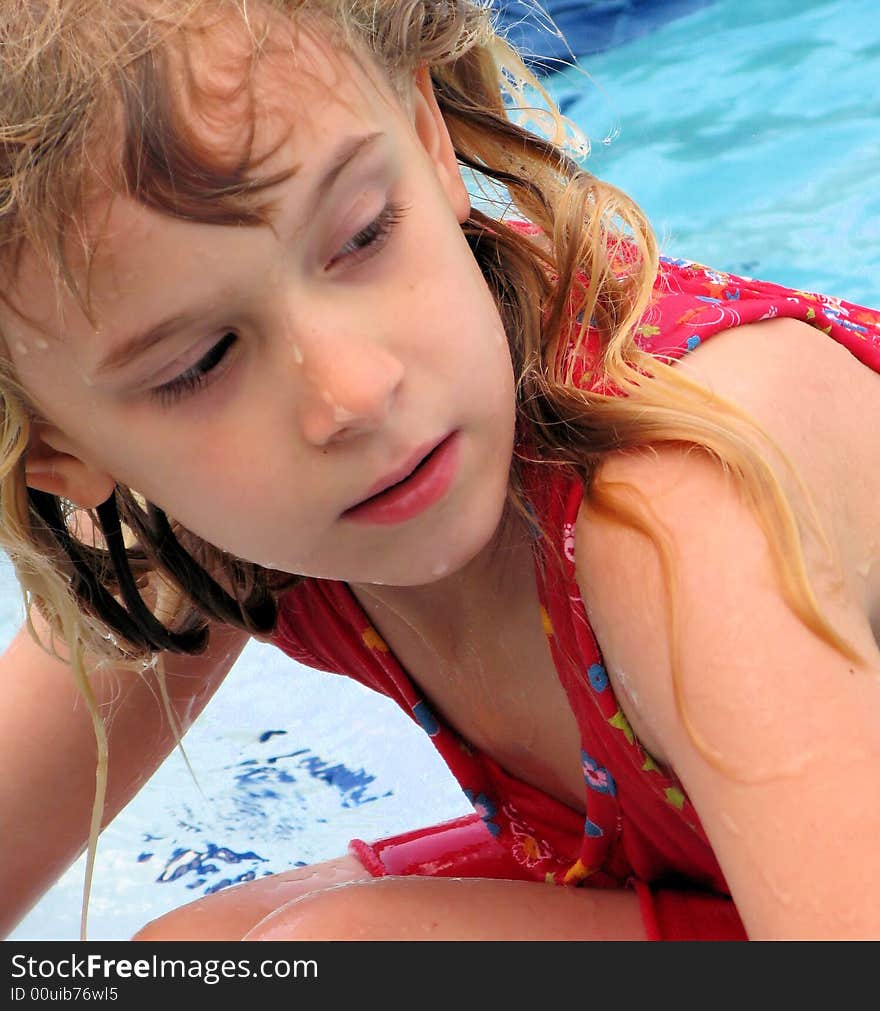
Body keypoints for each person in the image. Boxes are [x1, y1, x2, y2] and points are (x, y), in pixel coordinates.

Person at [1, 0, 878, 943]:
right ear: (60, 448)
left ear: (427, 136)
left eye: (364, 234)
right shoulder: (197, 534)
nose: (355, 391)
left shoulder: (677, 515)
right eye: (203, 363)